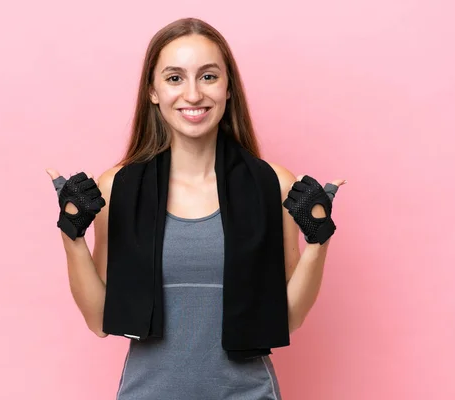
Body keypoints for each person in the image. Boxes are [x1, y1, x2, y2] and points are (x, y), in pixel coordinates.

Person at [46, 17, 346, 400]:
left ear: (228, 88)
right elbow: (98, 320)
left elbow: (289, 316)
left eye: (207, 77)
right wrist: (71, 236)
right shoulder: (115, 187)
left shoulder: (274, 184)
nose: (192, 95)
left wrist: (319, 240)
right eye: (174, 78)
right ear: (152, 91)